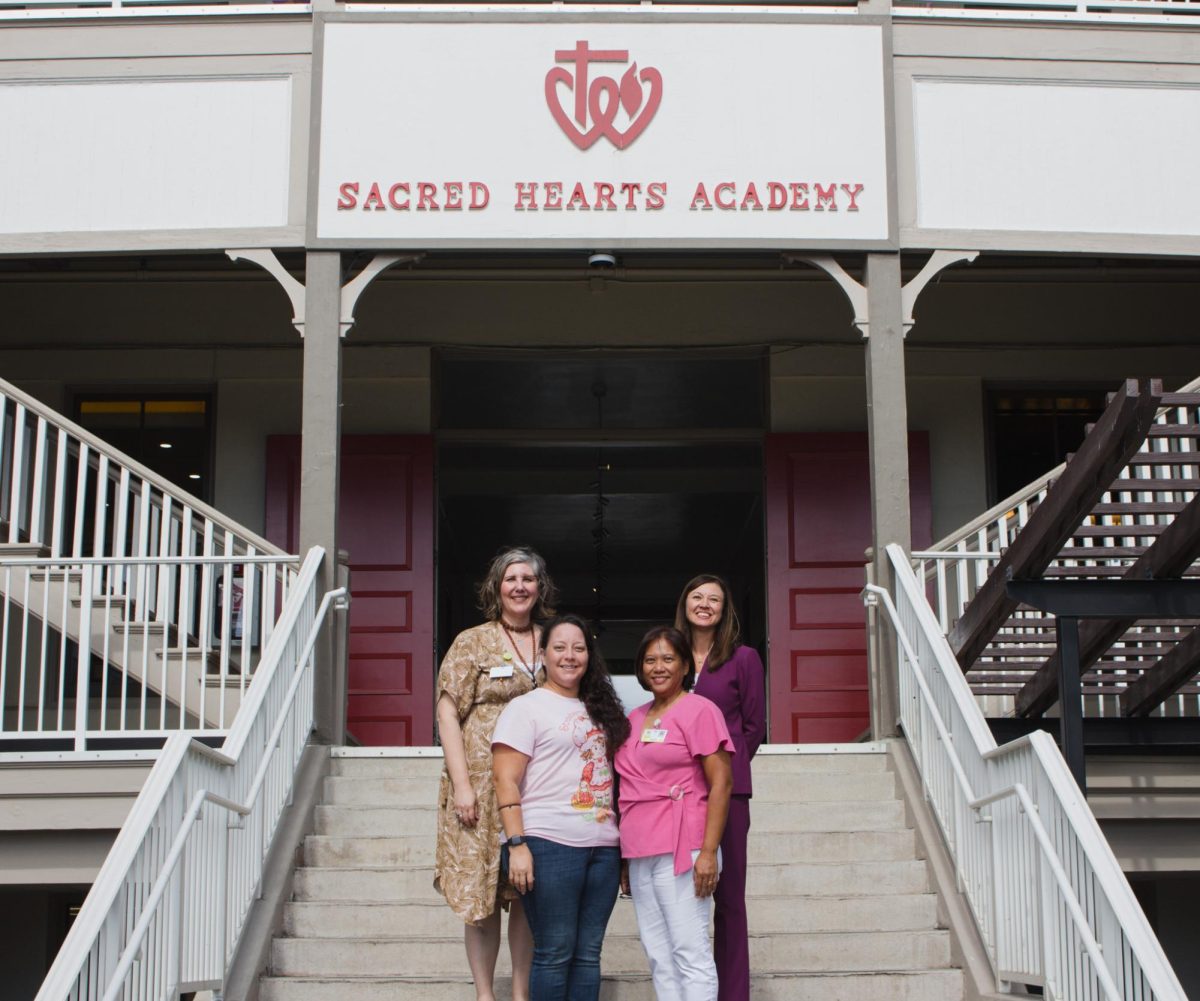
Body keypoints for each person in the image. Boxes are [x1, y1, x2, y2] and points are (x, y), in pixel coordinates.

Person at [434, 546, 556, 1001]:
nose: (520, 586)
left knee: (527, 893)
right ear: (496, 588)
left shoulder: (552, 640)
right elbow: (448, 714)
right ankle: (485, 994)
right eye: (511, 579)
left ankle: (520, 993)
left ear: (539, 588)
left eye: (528, 579)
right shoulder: (472, 641)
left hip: (535, 790)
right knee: (480, 898)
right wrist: (462, 785)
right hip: (481, 789)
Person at [491, 614, 631, 1001]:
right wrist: (516, 843)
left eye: (579, 648)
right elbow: (505, 779)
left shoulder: (602, 709)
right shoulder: (526, 708)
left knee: (588, 955)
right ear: (543, 654)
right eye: (559, 647)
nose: (570, 656)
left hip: (603, 846)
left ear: (590, 654)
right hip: (546, 843)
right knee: (554, 953)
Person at [614, 625, 734, 1001]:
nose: (658, 667)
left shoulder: (699, 710)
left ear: (685, 665)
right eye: (650, 660)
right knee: (658, 955)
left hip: (685, 846)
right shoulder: (633, 718)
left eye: (668, 658)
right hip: (640, 850)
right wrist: (623, 859)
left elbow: (722, 784)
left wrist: (710, 852)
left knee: (689, 951)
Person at [675, 574, 766, 1001]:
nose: (705, 604)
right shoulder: (669, 657)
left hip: (727, 790)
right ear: (685, 604)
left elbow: (754, 726)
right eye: (697, 597)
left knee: (729, 900)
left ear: (724, 609)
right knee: (681, 898)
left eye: (714, 599)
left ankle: (732, 995)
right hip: (676, 792)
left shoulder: (743, 658)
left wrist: (729, 771)